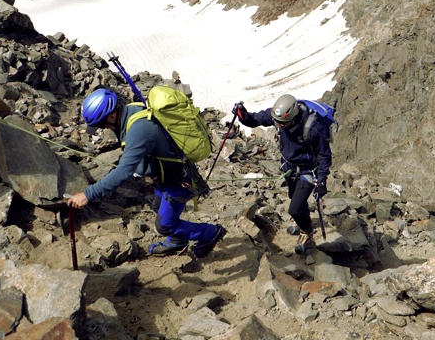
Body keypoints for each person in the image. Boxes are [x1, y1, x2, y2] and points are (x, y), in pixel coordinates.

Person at [67, 88, 226, 258]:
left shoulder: (139, 129)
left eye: (102, 124)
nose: (102, 129)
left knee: (164, 226)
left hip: (177, 180)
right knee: (157, 206)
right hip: (164, 177)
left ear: (112, 116)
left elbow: (124, 171)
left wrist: (88, 194)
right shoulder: (131, 110)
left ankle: (210, 233)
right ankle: (178, 240)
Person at [232, 94, 332, 254]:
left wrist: (321, 181)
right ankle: (302, 222)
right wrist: (242, 115)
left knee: (295, 208)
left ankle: (307, 231)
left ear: (293, 117)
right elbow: (255, 120)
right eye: (277, 122)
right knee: (295, 197)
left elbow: (324, 155)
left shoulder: (313, 127)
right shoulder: (278, 118)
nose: (278, 125)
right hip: (289, 167)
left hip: (307, 170)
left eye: (283, 123)